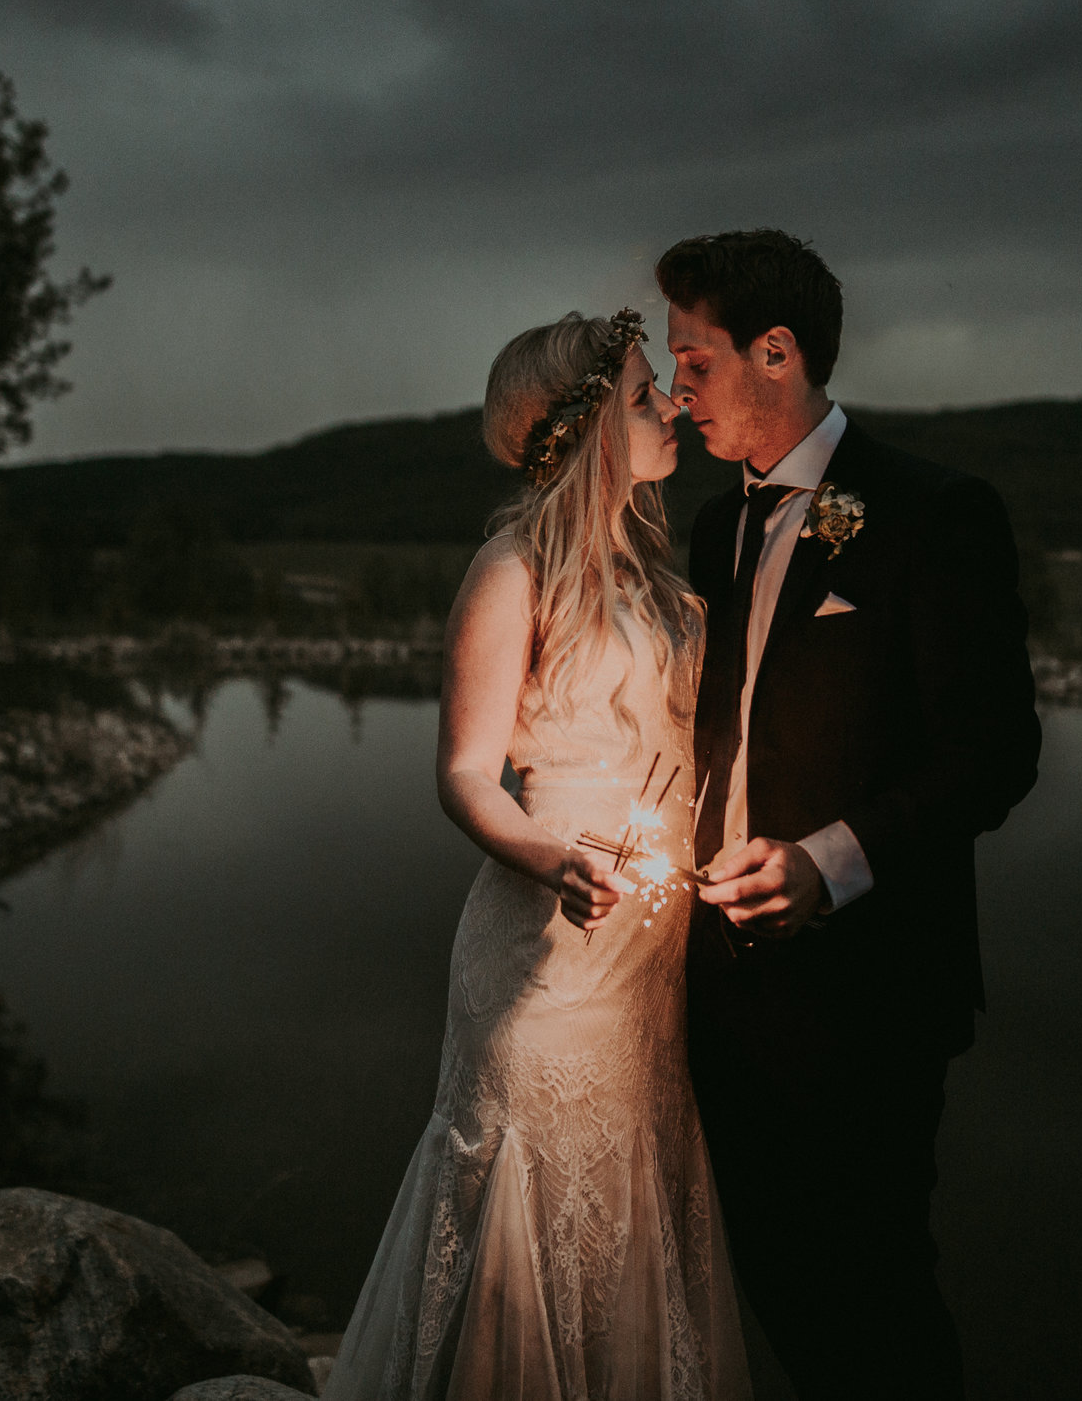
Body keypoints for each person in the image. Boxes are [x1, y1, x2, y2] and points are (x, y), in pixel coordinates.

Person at [324, 310, 752, 1401]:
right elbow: (465, 772)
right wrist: (550, 852)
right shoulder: (511, 566)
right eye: (646, 392)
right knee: (530, 1194)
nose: (670, 407)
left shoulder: (650, 569)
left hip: (646, 964)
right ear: (592, 420)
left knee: (631, 1196)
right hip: (546, 955)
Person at [661, 228, 1042, 1400]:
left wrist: (832, 861)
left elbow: (994, 753)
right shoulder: (713, 528)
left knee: (874, 1284)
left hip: (870, 991)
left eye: (693, 362)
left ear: (775, 352)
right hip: (720, 984)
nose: (675, 397)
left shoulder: (934, 513)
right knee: (771, 1272)